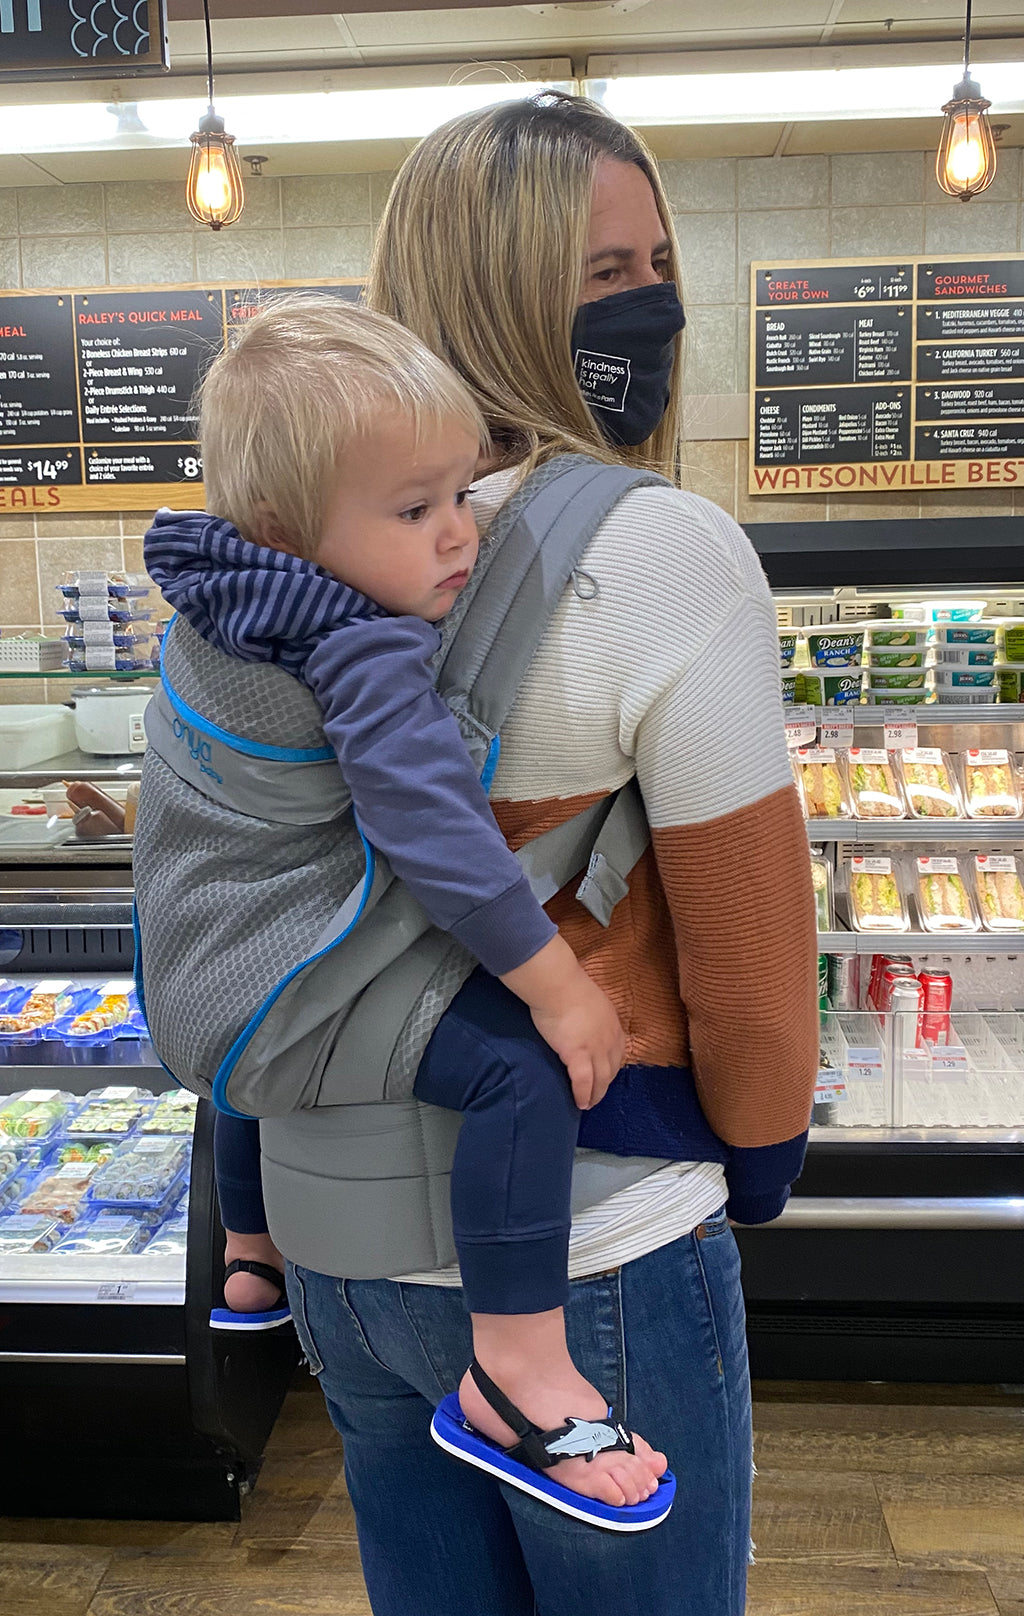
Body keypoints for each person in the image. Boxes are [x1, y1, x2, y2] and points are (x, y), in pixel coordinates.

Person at [251, 89, 819, 1615]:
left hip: (342, 1255)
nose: (648, 304)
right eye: (599, 276)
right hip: (594, 1251)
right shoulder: (658, 550)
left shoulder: (300, 549)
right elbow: (756, 982)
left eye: (652, 264)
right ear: (491, 295)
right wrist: (752, 1172)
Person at [141, 295, 669, 1520]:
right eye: (413, 509)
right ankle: (516, 1367)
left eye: (460, 495)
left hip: (196, 967)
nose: (458, 536)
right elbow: (432, 833)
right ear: (287, 528)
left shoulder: (212, 581)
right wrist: (555, 982)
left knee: (241, 1067)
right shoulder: (362, 650)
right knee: (519, 1073)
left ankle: (252, 1250)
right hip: (272, 982)